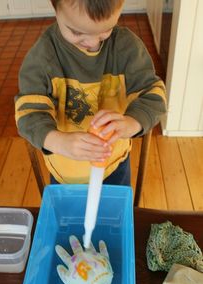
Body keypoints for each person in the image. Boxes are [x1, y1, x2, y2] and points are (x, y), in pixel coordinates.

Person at [15, 0, 167, 185]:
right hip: (64, 168)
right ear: (55, 7)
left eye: (105, 31)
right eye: (77, 32)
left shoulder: (127, 48)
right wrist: (59, 142)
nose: (93, 43)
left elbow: (154, 96)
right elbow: (29, 115)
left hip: (114, 164)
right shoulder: (43, 57)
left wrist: (131, 123)